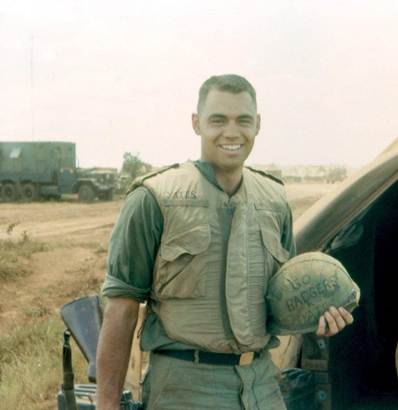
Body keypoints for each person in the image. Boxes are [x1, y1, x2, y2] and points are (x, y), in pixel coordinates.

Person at [96, 74, 354, 410]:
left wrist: (317, 319)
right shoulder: (154, 198)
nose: (231, 132)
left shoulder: (274, 200)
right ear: (196, 123)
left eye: (243, 120)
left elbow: (282, 305)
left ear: (258, 125)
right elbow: (121, 309)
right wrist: (106, 405)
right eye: (218, 120)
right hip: (185, 389)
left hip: (262, 386)